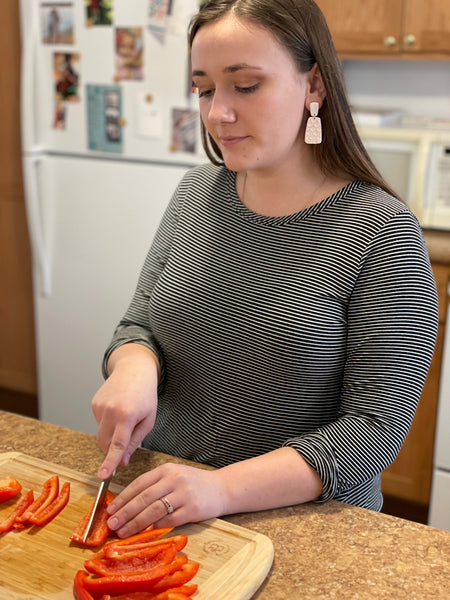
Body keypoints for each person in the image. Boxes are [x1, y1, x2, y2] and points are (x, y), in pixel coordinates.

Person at [91, 0, 438, 538]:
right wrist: (135, 365)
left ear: (315, 86)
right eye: (205, 89)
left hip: (298, 527)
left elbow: (373, 435)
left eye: (245, 86)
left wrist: (222, 489)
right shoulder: (196, 193)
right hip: (168, 503)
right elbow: (139, 326)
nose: (216, 113)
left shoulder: (381, 230)